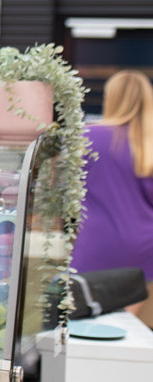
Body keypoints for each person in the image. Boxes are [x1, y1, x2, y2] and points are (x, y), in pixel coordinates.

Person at [71, 70, 153, 326]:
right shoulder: (148, 144)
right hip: (143, 247)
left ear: (111, 98)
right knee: (128, 327)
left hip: (96, 242)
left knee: (85, 322)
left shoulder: (88, 137)